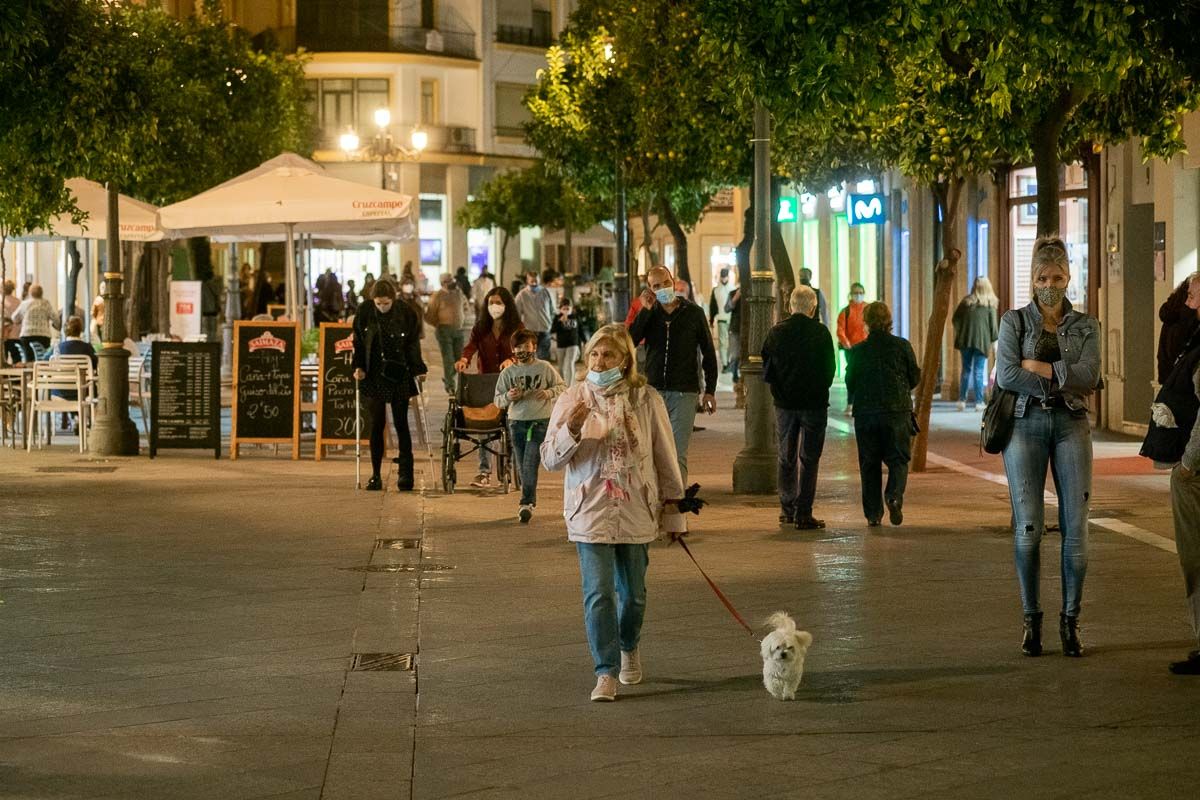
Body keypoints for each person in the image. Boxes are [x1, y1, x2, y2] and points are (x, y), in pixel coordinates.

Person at [541, 323, 686, 702]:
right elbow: (550, 460)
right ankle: (604, 670)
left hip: (636, 506)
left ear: (625, 362)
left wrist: (674, 513)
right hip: (589, 507)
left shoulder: (646, 399)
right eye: (594, 354)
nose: (599, 361)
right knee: (598, 594)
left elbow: (666, 457)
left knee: (634, 594)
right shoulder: (572, 397)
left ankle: (629, 646)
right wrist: (571, 428)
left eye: (608, 355)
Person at [996, 236, 1100, 659]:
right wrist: (1062, 376)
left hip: (1072, 422)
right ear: (1032, 279)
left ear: (1069, 277)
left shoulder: (1086, 325)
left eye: (1057, 277)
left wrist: (1037, 367)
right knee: (1029, 529)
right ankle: (1031, 620)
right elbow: (1006, 375)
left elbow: (1090, 375)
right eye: (1042, 277)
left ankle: (1070, 621)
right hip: (1025, 422)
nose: (1050, 285)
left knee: (1076, 530)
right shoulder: (1013, 321)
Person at [628, 266, 718, 483]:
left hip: (684, 392)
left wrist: (710, 391)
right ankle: (655, 501)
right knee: (652, 451)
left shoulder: (693, 313)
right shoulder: (650, 314)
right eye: (656, 286)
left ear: (673, 281)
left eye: (665, 283)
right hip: (653, 391)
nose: (662, 289)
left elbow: (708, 352)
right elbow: (629, 341)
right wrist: (645, 311)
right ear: (649, 289)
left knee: (677, 453)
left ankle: (676, 504)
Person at [762, 286, 836, 530]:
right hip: (814, 404)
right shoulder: (821, 333)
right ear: (813, 307)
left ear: (790, 306)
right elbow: (829, 369)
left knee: (786, 456)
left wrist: (780, 390)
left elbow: (768, 369)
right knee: (810, 458)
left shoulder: (776, 333)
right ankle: (804, 512)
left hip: (785, 404)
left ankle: (787, 509)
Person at [846, 301, 920, 528]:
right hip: (897, 412)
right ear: (889, 321)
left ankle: (873, 514)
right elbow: (914, 377)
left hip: (866, 413)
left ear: (865, 322)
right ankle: (894, 496)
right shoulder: (902, 346)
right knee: (898, 460)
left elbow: (851, 382)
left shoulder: (858, 351)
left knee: (869, 464)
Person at [352, 280, 427, 492]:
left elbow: (412, 343)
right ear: (372, 300)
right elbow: (358, 341)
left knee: (401, 422)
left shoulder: (406, 312)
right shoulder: (365, 311)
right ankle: (375, 474)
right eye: (378, 303)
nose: (382, 307)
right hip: (373, 372)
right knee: (376, 423)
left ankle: (406, 473)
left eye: (386, 303)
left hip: (399, 372)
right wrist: (358, 365)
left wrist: (418, 368)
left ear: (393, 299)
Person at [494, 329, 566, 523]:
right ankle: (527, 499)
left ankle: (526, 503)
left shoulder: (545, 368)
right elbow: (497, 400)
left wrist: (549, 393)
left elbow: (562, 386)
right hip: (516, 422)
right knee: (521, 462)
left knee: (530, 461)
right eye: (518, 347)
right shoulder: (508, 373)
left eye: (526, 346)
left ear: (534, 347)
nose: (522, 350)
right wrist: (509, 396)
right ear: (513, 350)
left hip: (540, 421)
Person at [456, 287, 524, 489]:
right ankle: (483, 472)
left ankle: (509, 468)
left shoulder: (516, 327)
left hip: (510, 383)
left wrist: (512, 359)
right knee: (484, 428)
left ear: (507, 305)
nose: (495, 306)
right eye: (491, 302)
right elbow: (471, 346)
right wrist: (464, 359)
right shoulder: (481, 327)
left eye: (499, 302)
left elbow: (524, 348)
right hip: (486, 383)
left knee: (510, 426)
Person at [952, 276, 1000, 411]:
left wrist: (962, 332)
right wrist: (994, 345)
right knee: (979, 372)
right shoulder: (990, 305)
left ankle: (961, 401)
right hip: (982, 342)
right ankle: (979, 403)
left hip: (966, 341)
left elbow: (955, 319)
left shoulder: (966, 303)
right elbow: (993, 328)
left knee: (965, 370)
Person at [426, 274, 467, 393]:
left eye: (452, 280)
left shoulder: (458, 293)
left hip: (458, 330)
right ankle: (450, 385)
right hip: (444, 330)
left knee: (459, 359)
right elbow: (430, 314)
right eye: (449, 281)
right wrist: (439, 324)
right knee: (448, 359)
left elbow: (464, 306)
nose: (452, 282)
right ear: (443, 283)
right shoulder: (437, 296)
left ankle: (449, 377)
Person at [1158, 276, 1200, 385]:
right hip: (1181, 388)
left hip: (1169, 383)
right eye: (1190, 296)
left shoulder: (1171, 315)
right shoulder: (1187, 322)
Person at [836, 283, 869, 413]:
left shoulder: (868, 309)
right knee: (852, 376)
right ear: (851, 294)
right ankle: (851, 403)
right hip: (852, 350)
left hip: (866, 348)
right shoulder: (846, 311)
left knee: (866, 375)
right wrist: (847, 344)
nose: (858, 295)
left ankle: (864, 402)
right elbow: (840, 329)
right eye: (856, 292)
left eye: (861, 292)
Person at [514, 270, 556, 360]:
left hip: (544, 330)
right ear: (527, 281)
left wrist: (549, 323)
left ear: (539, 280)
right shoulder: (522, 295)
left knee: (543, 358)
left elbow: (553, 310)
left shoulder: (546, 292)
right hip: (530, 331)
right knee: (530, 358)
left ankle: (543, 374)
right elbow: (516, 314)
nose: (534, 283)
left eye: (536, 280)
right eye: (532, 281)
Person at [13, 284, 55, 359]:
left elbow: (14, 318)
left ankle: (29, 367)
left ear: (30, 293)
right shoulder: (46, 303)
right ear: (42, 293)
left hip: (26, 335)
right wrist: (56, 326)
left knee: (28, 358)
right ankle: (42, 368)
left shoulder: (25, 304)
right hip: (43, 336)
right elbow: (55, 318)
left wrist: (19, 321)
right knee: (44, 358)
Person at [551, 296, 581, 386]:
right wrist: (560, 322)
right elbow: (552, 330)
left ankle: (570, 385)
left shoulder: (575, 316)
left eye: (568, 308)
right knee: (560, 366)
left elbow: (580, 329)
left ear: (571, 308)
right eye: (564, 308)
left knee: (570, 363)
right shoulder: (557, 317)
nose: (566, 310)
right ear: (560, 309)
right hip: (561, 344)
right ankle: (562, 384)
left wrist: (585, 341)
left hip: (573, 344)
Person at [708, 268, 734, 372]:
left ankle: (728, 362)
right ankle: (725, 363)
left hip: (731, 320)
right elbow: (712, 306)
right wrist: (711, 320)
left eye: (725, 276)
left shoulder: (732, 289)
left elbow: (712, 306)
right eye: (722, 276)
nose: (723, 278)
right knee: (723, 342)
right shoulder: (717, 290)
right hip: (722, 319)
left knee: (729, 342)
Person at [2, 280, 21, 364]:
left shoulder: (1, 300)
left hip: (4, 333)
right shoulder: (18, 301)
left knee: (4, 356)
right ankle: (16, 375)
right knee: (16, 357)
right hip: (16, 333)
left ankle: (5, 376)